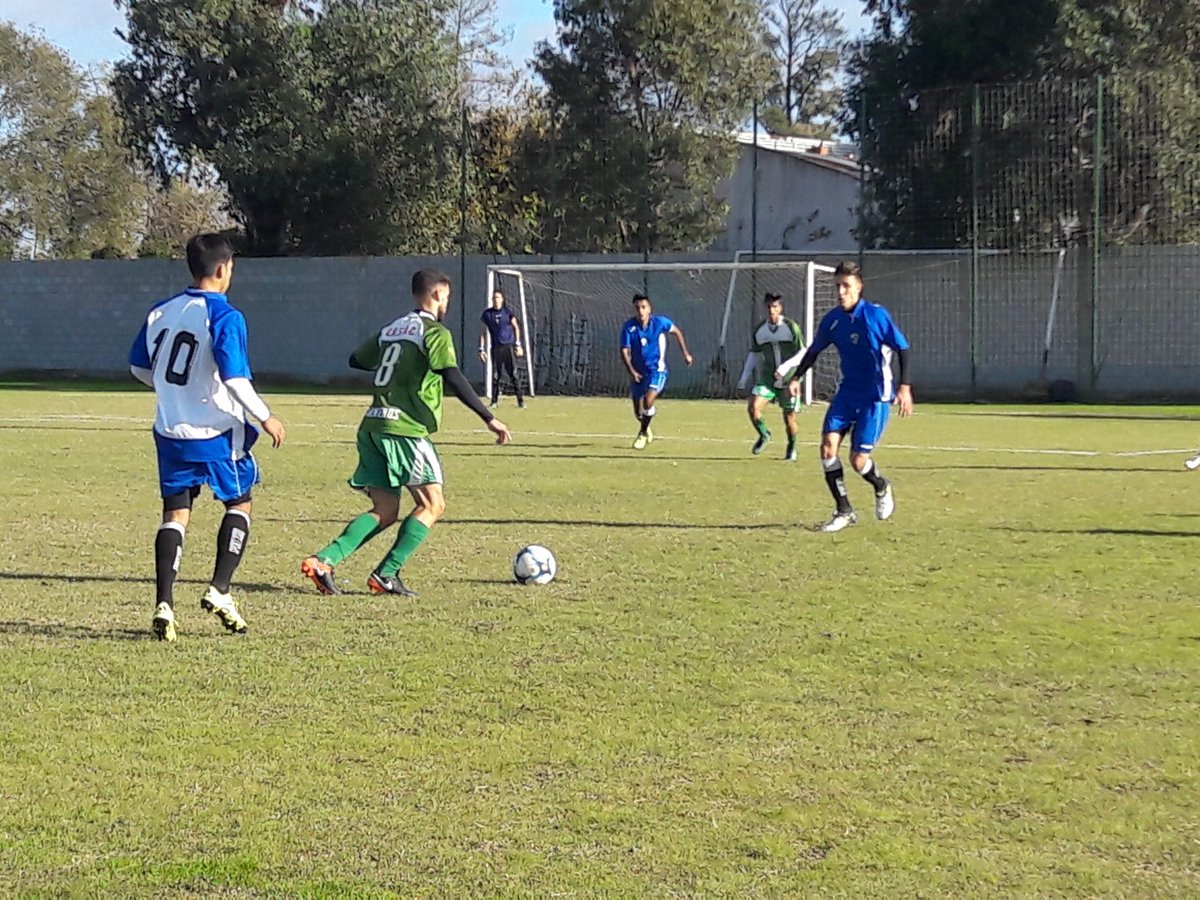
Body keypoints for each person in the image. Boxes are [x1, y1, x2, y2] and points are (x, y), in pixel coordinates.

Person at [301, 269, 511, 598]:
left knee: (385, 511)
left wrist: (398, 361)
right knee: (433, 504)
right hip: (405, 430)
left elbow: (357, 359)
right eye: (447, 297)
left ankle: (323, 561)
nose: (447, 304)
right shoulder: (435, 332)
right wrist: (488, 417)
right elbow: (451, 374)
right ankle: (387, 573)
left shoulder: (392, 329)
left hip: (373, 426)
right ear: (437, 294)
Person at [128, 233, 286, 642]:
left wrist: (175, 394)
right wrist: (266, 416)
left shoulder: (161, 311)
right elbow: (234, 377)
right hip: (215, 433)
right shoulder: (226, 316)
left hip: (170, 430)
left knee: (175, 513)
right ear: (221, 269)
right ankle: (220, 589)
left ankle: (164, 603)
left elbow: (140, 368)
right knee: (240, 502)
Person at [775, 260, 912, 532]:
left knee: (858, 461)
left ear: (859, 288)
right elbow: (814, 351)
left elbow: (903, 348)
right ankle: (844, 510)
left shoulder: (875, 316)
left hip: (875, 396)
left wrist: (905, 387)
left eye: (846, 286)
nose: (840, 292)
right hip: (847, 393)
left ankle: (881, 485)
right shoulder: (833, 320)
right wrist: (797, 378)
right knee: (827, 448)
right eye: (837, 286)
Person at [737, 292, 806, 461]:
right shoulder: (760, 330)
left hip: (789, 380)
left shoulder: (790, 327)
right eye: (768, 307)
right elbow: (754, 354)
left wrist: (785, 367)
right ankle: (764, 434)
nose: (771, 310)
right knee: (753, 407)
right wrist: (743, 378)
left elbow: (803, 352)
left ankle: (792, 447)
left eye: (774, 307)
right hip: (768, 378)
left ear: (780, 308)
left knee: (789, 417)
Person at [619, 293, 693, 450]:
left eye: (643, 307)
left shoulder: (660, 322)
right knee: (638, 412)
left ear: (649, 309)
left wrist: (685, 353)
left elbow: (677, 332)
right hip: (638, 373)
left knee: (648, 401)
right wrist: (632, 371)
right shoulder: (629, 327)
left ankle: (642, 434)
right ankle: (646, 427)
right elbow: (624, 350)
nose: (640, 311)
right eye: (637, 308)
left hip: (656, 371)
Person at [478, 290, 525, 408]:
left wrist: (518, 344)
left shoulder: (507, 312)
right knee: (495, 375)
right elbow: (483, 332)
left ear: (502, 299)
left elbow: (516, 327)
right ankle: (494, 402)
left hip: (508, 347)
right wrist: (481, 349)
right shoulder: (487, 314)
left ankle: (521, 401)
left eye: (498, 297)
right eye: (494, 298)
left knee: (513, 374)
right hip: (496, 348)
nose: (496, 300)